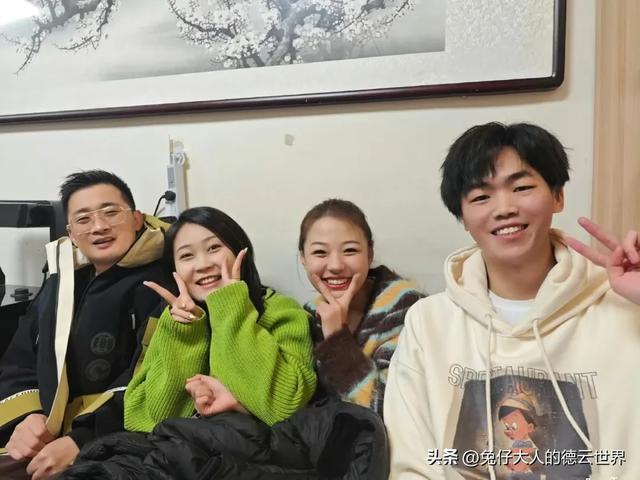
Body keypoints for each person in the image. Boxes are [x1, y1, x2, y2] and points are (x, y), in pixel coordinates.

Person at [384, 122, 640, 479]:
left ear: (558, 196)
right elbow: (409, 463)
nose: (504, 208)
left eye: (521, 187)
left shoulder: (623, 309)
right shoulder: (429, 323)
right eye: (480, 197)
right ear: (462, 217)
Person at [0, 170, 171, 479]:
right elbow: (20, 358)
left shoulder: (163, 282)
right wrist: (28, 419)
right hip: (45, 431)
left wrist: (82, 440)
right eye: (83, 219)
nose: (99, 226)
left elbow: (155, 379)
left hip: (112, 438)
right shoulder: (62, 279)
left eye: (111, 212)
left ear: (136, 219)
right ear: (71, 232)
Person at [124, 206, 316, 431]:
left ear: (240, 251)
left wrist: (230, 307)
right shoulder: (174, 322)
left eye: (214, 248)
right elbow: (147, 418)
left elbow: (285, 407)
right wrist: (186, 333)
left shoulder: (281, 311)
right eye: (186, 255)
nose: (203, 265)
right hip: (183, 448)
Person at [299, 199, 424, 416]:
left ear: (370, 253)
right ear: (303, 258)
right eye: (320, 253)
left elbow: (394, 410)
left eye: (350, 250)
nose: (336, 266)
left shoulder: (405, 307)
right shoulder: (308, 314)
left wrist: (336, 339)